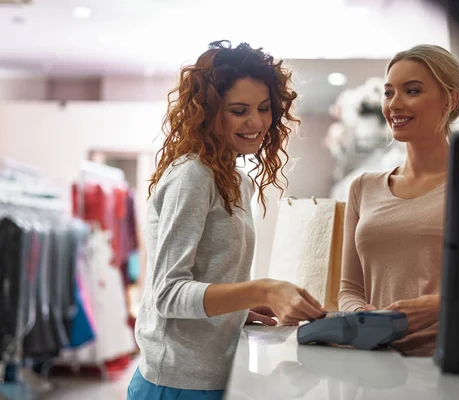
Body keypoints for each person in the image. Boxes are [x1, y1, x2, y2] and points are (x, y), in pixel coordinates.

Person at [128, 40, 326, 400]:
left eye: (264, 108)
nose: (256, 122)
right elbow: (168, 295)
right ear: (208, 112)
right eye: (239, 110)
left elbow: (208, 275)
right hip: (174, 384)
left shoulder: (236, 180)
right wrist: (262, 289)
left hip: (215, 374)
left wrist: (236, 308)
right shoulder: (192, 175)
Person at [338, 44, 459, 356]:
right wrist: (359, 315)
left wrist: (442, 306)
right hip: (377, 367)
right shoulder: (363, 188)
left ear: (450, 100)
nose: (394, 104)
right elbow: (349, 289)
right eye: (388, 92)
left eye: (412, 90)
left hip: (446, 365)